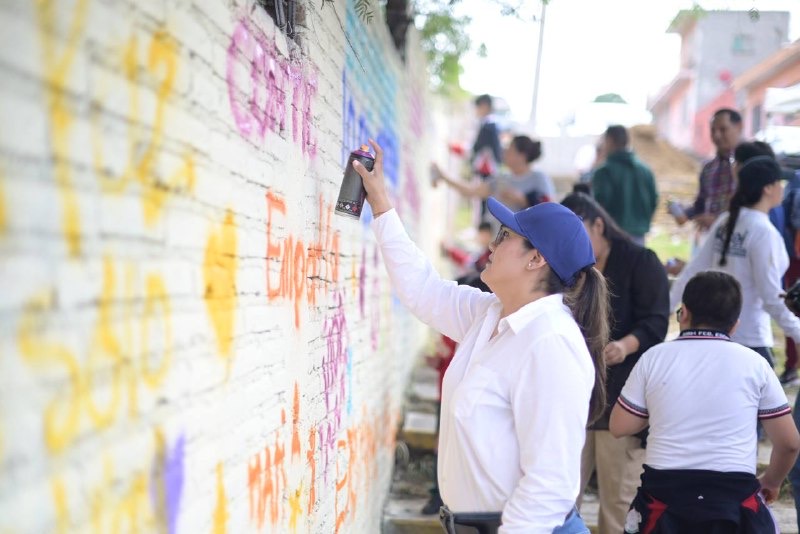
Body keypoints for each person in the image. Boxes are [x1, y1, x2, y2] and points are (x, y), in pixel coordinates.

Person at [354, 139, 609, 532]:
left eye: (505, 236)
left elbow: (550, 486)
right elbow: (423, 290)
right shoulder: (490, 314)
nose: (491, 243)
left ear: (536, 258)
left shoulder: (551, 343)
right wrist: (382, 206)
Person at [609, 271, 800, 533]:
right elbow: (789, 444)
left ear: (683, 313)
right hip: (734, 501)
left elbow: (620, 426)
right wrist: (772, 481)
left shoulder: (654, 358)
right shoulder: (756, 364)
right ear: (735, 325)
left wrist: (662, 406)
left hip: (663, 501)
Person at [561, 193, 670, 534]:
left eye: (580, 234)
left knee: (619, 504)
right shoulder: (565, 267)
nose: (574, 245)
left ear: (598, 224)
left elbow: (656, 321)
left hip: (622, 399)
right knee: (560, 499)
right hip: (572, 398)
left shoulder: (641, 260)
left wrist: (624, 346)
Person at [669, 143, 800, 368]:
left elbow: (692, 271)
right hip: (750, 340)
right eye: (779, 182)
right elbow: (771, 296)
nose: (782, 188)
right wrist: (798, 332)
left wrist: (664, 309)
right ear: (768, 188)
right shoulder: (763, 232)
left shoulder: (725, 221)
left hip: (716, 336)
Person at [668, 109, 743, 250]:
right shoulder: (709, 167)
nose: (717, 135)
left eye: (723, 129)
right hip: (709, 241)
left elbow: (754, 206)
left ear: (739, 126)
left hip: (737, 242)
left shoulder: (748, 163)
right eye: (713, 130)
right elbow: (701, 204)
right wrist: (683, 212)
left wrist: (718, 220)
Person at [433, 134, 556, 219]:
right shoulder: (502, 179)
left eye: (510, 149)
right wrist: (443, 176)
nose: (504, 152)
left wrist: (523, 200)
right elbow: (471, 191)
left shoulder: (539, 179)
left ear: (522, 155)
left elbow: (551, 213)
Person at [591, 125, 658, 245]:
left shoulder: (604, 172)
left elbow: (598, 206)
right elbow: (654, 201)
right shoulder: (645, 171)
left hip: (611, 239)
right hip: (639, 237)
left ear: (609, 141)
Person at [471, 94, 503, 180]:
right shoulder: (490, 124)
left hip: (486, 171)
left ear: (484, 106)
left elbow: (477, 147)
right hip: (488, 170)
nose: (476, 111)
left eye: (478, 107)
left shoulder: (488, 126)